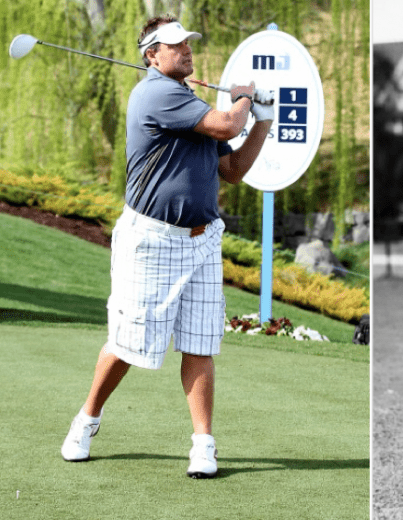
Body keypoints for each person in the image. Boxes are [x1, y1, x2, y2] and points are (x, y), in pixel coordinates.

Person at [61, 16, 274, 479]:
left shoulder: (188, 102)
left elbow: (234, 169)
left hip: (201, 240)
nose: (187, 51)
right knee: (128, 342)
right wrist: (243, 96)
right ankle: (87, 420)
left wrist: (264, 120)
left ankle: (203, 445)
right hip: (152, 240)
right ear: (152, 55)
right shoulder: (157, 94)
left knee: (199, 343)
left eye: (188, 43)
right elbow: (223, 125)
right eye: (175, 46)